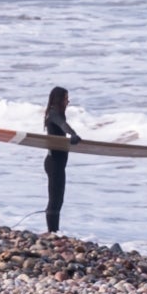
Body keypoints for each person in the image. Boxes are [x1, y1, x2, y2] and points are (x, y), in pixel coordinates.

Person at [42, 85, 83, 233]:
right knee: (55, 199)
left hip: (56, 163)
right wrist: (72, 134)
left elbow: (62, 124)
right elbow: (63, 125)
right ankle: (52, 232)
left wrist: (72, 135)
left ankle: (54, 231)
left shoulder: (54, 113)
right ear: (59, 99)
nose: (68, 101)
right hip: (54, 163)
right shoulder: (54, 113)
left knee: (58, 199)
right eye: (66, 98)